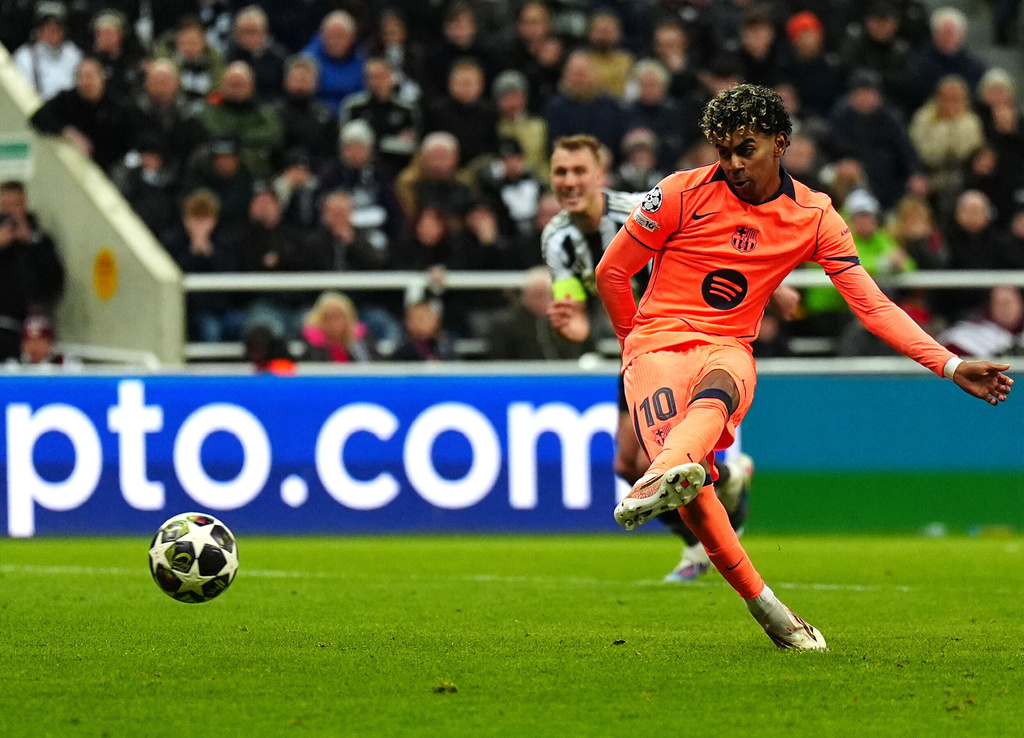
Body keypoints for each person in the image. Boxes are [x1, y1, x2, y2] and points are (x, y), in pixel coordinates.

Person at [594, 83, 1012, 649]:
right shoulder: (677, 193)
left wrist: (949, 363)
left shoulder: (814, 216)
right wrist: (635, 349)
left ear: (780, 143)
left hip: (728, 347)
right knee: (693, 492)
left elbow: (872, 305)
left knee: (720, 392)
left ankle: (663, 472)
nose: (733, 164)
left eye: (746, 149)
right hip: (656, 345)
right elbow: (611, 272)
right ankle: (769, 609)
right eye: (723, 151)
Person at [541, 134, 758, 583]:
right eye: (561, 172)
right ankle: (715, 506)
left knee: (651, 464)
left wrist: (766, 288)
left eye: (579, 170)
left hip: (685, 341)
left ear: (600, 174)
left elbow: (716, 242)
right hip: (637, 350)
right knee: (626, 465)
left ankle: (709, 532)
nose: (569, 180)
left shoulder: (642, 208)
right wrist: (573, 326)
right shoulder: (556, 238)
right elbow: (573, 306)